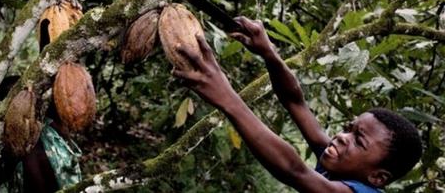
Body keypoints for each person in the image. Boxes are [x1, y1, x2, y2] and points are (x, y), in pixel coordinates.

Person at [173, 16, 422, 193]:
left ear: (377, 177)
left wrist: (227, 97)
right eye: (349, 128)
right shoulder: (340, 164)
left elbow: (296, 171)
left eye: (358, 141)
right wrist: (269, 52)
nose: (342, 136)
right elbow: (295, 102)